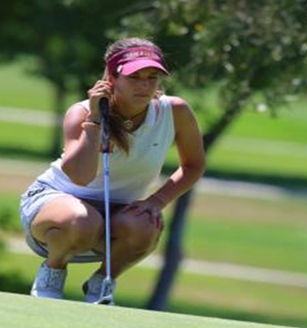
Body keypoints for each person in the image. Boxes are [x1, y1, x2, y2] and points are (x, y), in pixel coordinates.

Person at [18, 37, 206, 304]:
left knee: (145, 224)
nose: (144, 85)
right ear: (111, 77)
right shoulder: (81, 112)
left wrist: (156, 202)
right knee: (82, 221)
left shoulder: (174, 111)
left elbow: (193, 165)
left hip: (117, 211)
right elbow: (80, 176)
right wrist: (95, 121)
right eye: (134, 77)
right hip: (57, 204)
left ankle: (102, 283)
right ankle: (53, 272)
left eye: (152, 77)